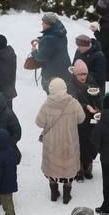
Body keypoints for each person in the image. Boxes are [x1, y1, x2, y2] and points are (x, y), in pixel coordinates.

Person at [37, 78, 86, 207]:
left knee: (52, 167)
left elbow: (39, 122)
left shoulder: (47, 104)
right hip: (69, 142)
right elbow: (82, 118)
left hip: (52, 143)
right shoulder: (73, 103)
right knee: (68, 168)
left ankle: (54, 193)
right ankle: (66, 194)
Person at [29, 12, 70, 88]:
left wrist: (34, 51)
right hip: (64, 72)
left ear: (49, 24)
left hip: (53, 75)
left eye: (44, 22)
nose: (42, 24)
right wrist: (41, 39)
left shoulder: (49, 40)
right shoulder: (60, 33)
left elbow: (41, 57)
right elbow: (53, 38)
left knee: (54, 98)